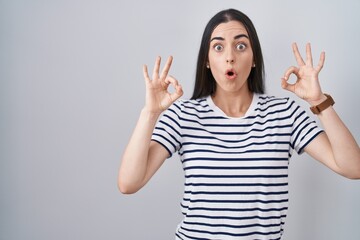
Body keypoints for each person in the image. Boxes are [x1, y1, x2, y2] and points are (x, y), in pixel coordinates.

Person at [118, 8, 360, 240]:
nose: (230, 57)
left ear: (254, 59)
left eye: (241, 46)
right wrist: (150, 113)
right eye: (218, 47)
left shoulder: (284, 113)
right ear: (207, 60)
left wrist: (319, 101)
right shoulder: (183, 115)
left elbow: (353, 168)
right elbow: (129, 183)